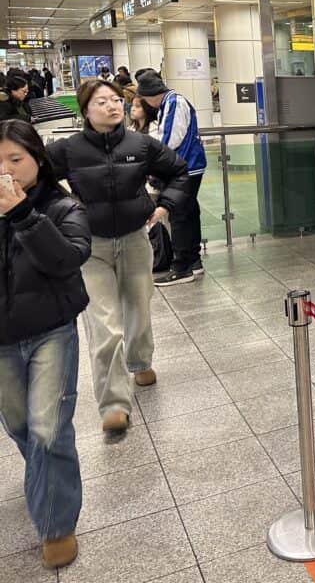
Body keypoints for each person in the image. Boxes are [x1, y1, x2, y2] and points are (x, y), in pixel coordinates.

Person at [47, 79, 189, 433]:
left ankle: (140, 361)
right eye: (101, 102)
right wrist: (65, 209)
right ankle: (113, 403)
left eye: (115, 100)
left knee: (138, 308)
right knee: (105, 323)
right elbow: (39, 181)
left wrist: (164, 207)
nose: (112, 106)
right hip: (90, 245)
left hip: (135, 238)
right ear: (85, 110)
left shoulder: (140, 144)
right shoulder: (68, 149)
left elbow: (180, 172)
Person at [0, 120, 91, 569]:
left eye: (15, 160)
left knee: (48, 427)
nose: (7, 171)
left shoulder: (60, 205)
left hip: (52, 330)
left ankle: (56, 524)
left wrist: (22, 216)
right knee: (21, 427)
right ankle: (42, 475)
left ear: (37, 158)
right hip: (2, 339)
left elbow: (69, 258)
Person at [137, 69, 207, 285]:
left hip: (185, 167)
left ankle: (182, 266)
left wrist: (151, 161)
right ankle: (193, 262)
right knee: (187, 212)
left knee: (180, 216)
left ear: (148, 96)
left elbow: (169, 139)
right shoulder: (172, 102)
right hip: (187, 166)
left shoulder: (174, 102)